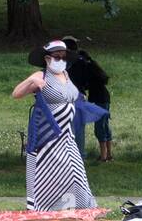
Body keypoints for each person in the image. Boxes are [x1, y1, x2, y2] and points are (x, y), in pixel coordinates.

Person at [13, 40, 97, 211]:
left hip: (67, 135)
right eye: (57, 57)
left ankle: (79, 207)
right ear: (47, 58)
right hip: (48, 135)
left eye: (63, 57)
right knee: (48, 171)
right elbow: (16, 93)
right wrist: (32, 84)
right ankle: (44, 207)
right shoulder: (40, 75)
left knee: (75, 170)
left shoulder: (66, 75)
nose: (61, 60)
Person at [64, 36, 112, 161]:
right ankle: (105, 155)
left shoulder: (79, 64)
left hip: (92, 98)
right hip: (96, 98)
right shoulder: (88, 64)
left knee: (97, 128)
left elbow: (83, 81)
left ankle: (100, 156)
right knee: (101, 127)